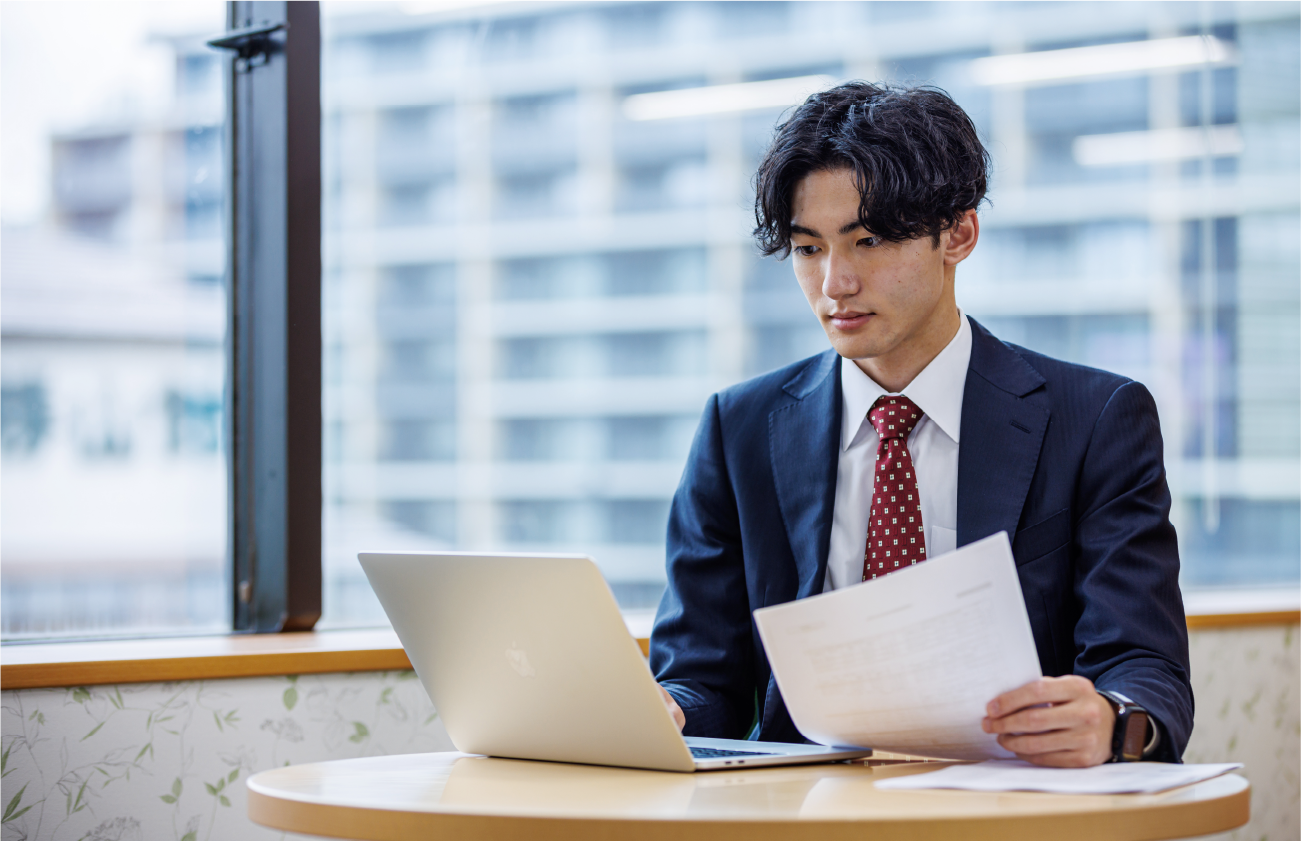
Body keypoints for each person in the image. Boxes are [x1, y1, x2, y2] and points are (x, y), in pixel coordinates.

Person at [649, 82, 1192, 767]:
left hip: (1010, 804)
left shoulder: (1095, 419)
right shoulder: (739, 428)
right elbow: (701, 675)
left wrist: (1113, 720)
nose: (834, 283)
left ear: (957, 234)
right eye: (808, 248)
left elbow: (1145, 667)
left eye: (867, 240)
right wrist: (667, 708)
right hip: (799, 811)